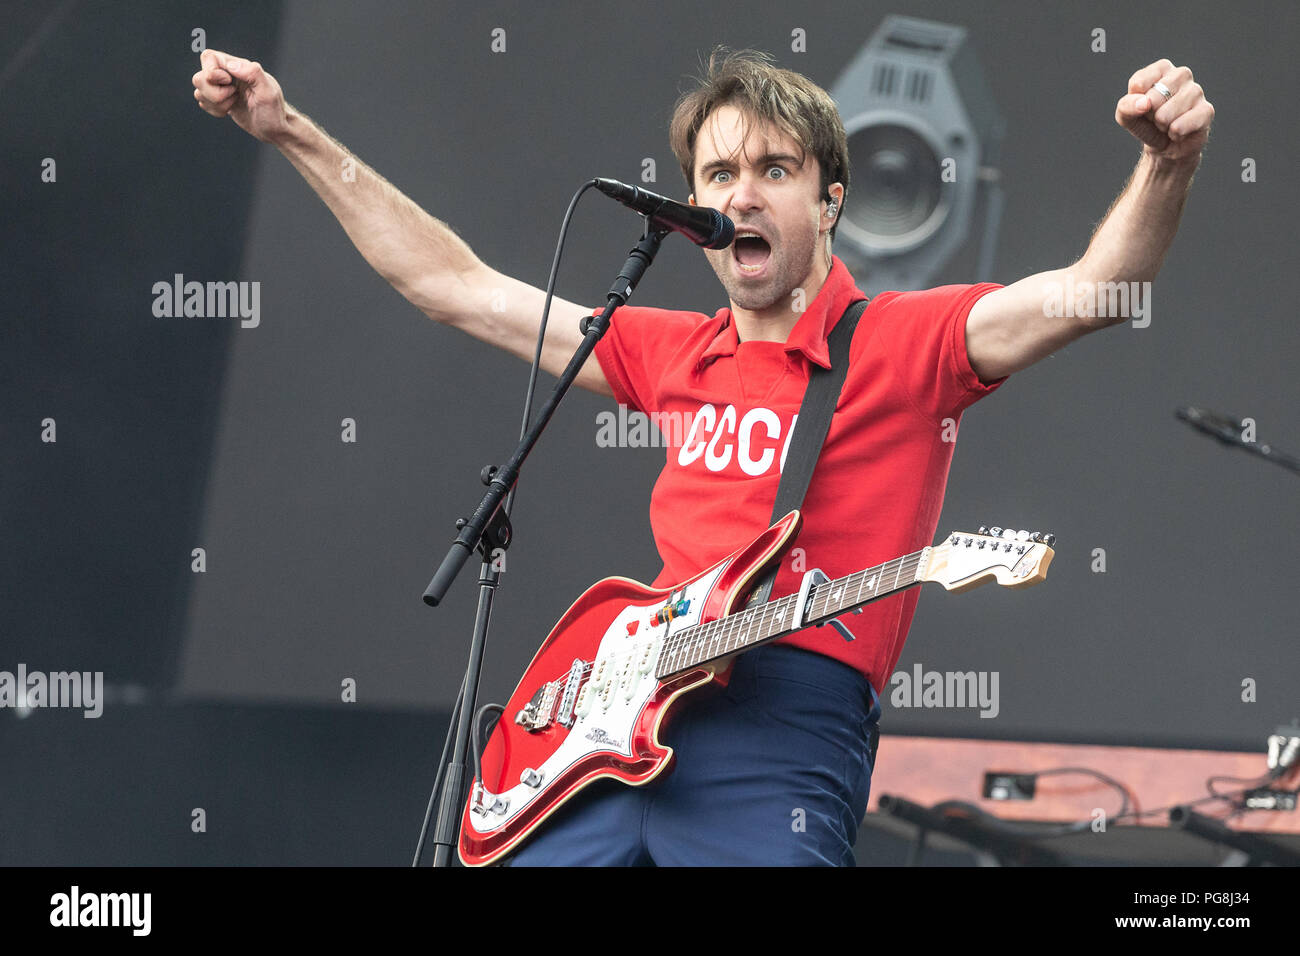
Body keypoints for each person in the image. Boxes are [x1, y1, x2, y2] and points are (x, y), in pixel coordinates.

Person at [192, 46, 1213, 866]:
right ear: (694, 216)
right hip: (618, 719)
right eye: (721, 173)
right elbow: (451, 284)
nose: (746, 193)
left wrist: (1166, 162)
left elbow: (1091, 288)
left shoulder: (905, 338)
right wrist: (287, 130)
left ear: (829, 201)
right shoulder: (671, 348)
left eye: (776, 170)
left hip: (784, 724)